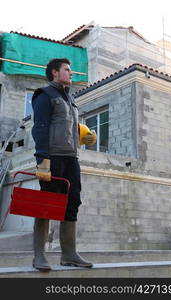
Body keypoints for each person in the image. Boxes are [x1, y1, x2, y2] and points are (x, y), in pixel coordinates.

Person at [31, 58, 96, 271]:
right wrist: (42, 159)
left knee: (72, 202)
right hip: (53, 156)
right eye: (67, 70)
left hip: (71, 158)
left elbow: (66, 125)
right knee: (48, 204)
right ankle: (39, 256)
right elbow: (40, 128)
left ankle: (69, 254)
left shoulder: (70, 98)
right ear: (54, 72)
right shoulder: (44, 95)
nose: (71, 73)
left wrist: (83, 134)